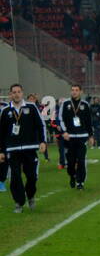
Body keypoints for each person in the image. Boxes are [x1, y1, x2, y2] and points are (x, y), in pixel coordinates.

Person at [1, 84, 45, 212]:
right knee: (15, 177)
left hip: (30, 148)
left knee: (32, 177)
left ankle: (30, 196)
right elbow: (1, 133)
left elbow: (40, 125)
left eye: (19, 92)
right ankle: (19, 202)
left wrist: (42, 141)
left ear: (22, 93)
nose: (16, 94)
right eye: (14, 92)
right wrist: (1, 151)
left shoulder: (31, 107)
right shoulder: (5, 111)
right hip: (12, 150)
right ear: (10, 94)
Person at [56, 84, 92, 189]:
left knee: (81, 160)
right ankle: (72, 176)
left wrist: (90, 136)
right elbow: (60, 119)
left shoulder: (85, 105)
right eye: (72, 90)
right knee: (70, 162)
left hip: (82, 137)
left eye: (76, 90)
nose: (74, 92)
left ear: (81, 92)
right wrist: (64, 132)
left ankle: (80, 182)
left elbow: (88, 122)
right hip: (69, 137)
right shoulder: (65, 104)